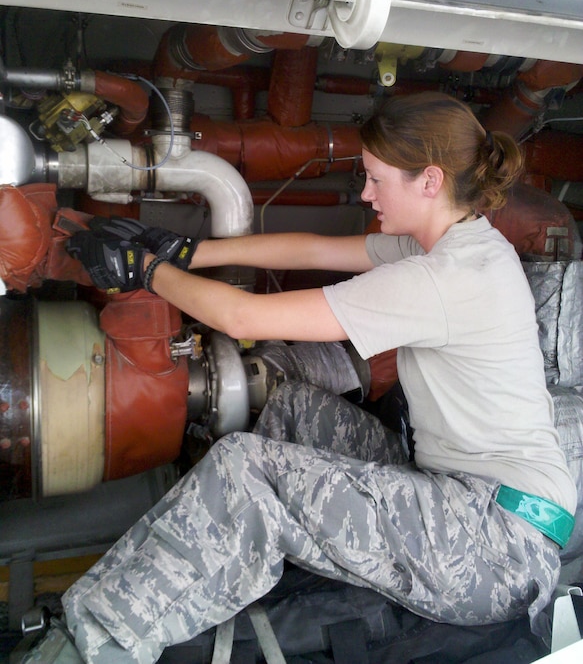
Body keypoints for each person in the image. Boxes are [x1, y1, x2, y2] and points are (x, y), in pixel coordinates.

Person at [23, 91, 576, 663]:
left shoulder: (444, 277)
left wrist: (147, 272)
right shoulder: (447, 241)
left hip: (495, 540)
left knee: (245, 471)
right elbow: (310, 246)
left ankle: (85, 648)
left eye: (376, 179)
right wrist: (185, 252)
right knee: (292, 409)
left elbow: (243, 317)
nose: (365, 194)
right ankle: (229, 561)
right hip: (458, 493)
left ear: (429, 181)